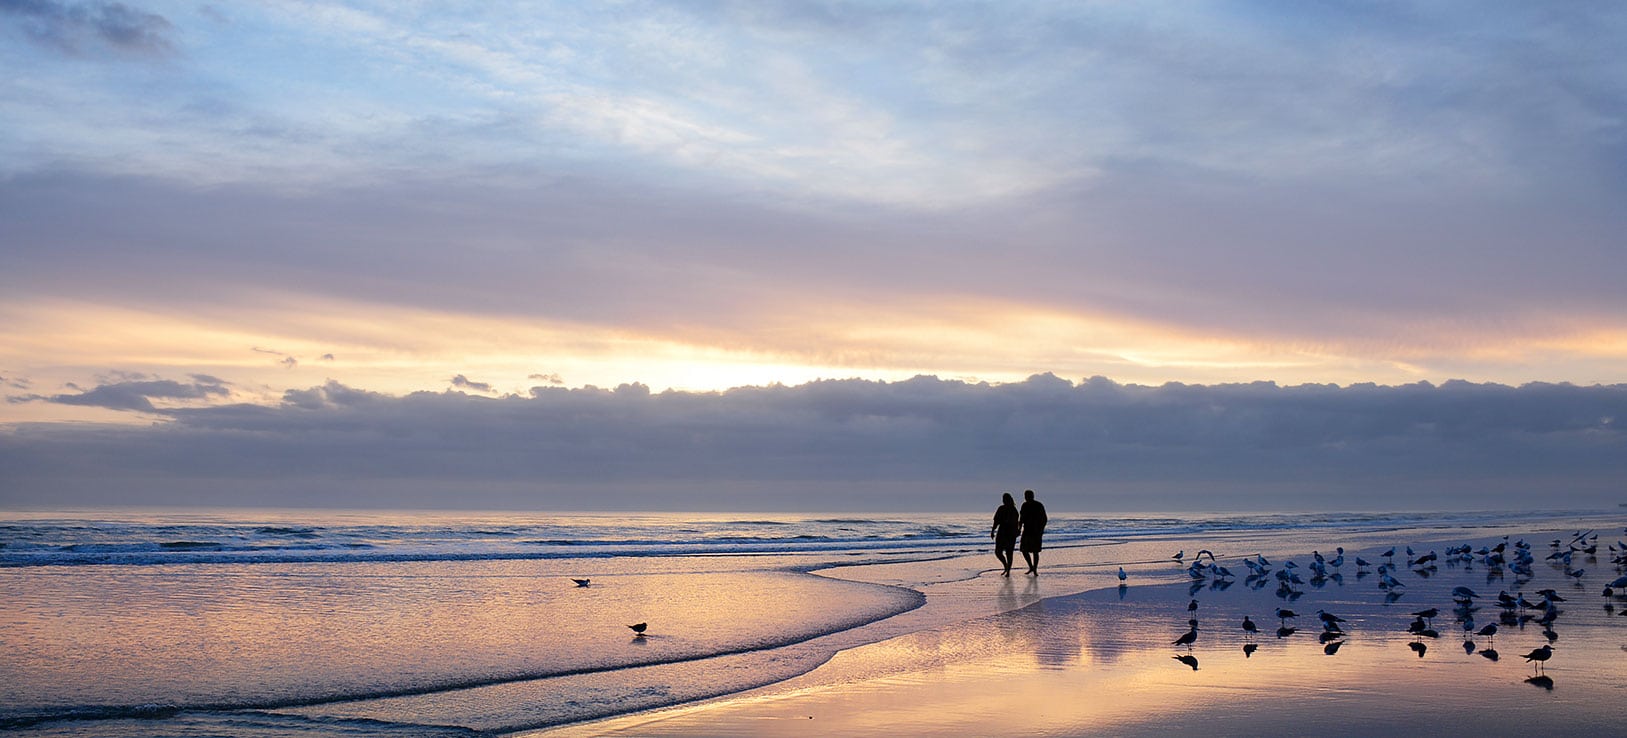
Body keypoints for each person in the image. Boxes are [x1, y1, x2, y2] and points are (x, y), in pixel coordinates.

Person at [1018, 489, 1048, 576]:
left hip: (1036, 531)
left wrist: (1041, 530)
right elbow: (1021, 518)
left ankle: (1035, 569)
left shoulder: (1038, 505)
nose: (1026, 498)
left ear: (1032, 496)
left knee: (1035, 551)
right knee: (1024, 550)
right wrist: (1019, 529)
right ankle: (1031, 567)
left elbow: (1044, 519)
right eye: (1026, 496)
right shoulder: (1024, 505)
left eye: (1028, 496)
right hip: (1026, 530)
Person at [990, 492, 1020, 577]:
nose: (1004, 501)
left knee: (1009, 553)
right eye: (1003, 499)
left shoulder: (1013, 510)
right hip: (1002, 532)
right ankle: (1006, 566)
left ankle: (1008, 571)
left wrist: (1017, 530)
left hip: (1010, 533)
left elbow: (1016, 522)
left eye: (1006, 499)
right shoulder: (1001, 508)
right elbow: (996, 521)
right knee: (998, 552)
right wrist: (992, 531)